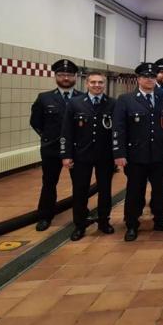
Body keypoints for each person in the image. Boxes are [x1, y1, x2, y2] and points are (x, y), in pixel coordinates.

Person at [113, 62, 163, 241]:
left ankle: (160, 220)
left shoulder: (161, 98)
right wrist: (119, 153)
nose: (149, 80)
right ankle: (132, 224)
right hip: (136, 156)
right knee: (135, 191)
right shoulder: (126, 100)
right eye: (146, 77)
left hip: (159, 155)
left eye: (152, 77)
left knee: (159, 191)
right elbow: (119, 129)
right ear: (138, 79)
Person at [59, 71, 116, 240]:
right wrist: (66, 154)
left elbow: (117, 130)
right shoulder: (75, 103)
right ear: (86, 84)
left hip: (105, 155)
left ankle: (104, 221)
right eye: (93, 82)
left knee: (105, 191)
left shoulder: (112, 103)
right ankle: (80, 224)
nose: (97, 85)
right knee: (80, 191)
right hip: (81, 155)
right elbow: (67, 131)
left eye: (100, 82)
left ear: (104, 84)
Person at [30, 59, 82, 231]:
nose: (65, 78)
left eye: (69, 75)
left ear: (75, 77)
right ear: (55, 77)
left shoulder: (82, 98)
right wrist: (48, 137)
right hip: (51, 149)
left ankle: (81, 215)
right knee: (49, 183)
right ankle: (45, 216)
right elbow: (36, 122)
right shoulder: (44, 98)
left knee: (80, 184)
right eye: (61, 74)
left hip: (77, 149)